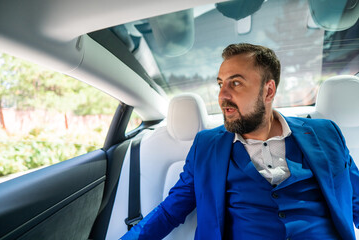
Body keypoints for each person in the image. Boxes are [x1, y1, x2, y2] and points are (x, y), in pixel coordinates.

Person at [121, 43, 359, 240]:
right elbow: (169, 212)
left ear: (268, 91)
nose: (222, 95)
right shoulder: (206, 146)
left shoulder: (326, 134)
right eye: (220, 84)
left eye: (235, 83)